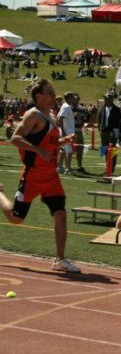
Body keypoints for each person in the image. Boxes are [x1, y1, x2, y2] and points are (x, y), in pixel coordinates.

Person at [0, 79, 80, 273]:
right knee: (16, 219)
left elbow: (49, 143)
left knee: (60, 213)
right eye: (49, 92)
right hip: (33, 175)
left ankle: (60, 259)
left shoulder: (50, 115)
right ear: (39, 96)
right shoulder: (33, 115)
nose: (53, 96)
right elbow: (15, 138)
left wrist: (62, 142)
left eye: (53, 92)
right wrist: (37, 150)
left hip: (51, 176)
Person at [56, 91, 76, 175]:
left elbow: (58, 117)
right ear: (70, 98)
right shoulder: (66, 107)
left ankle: (60, 167)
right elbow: (60, 118)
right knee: (69, 151)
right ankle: (68, 168)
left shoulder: (65, 106)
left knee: (63, 150)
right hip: (67, 132)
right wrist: (64, 131)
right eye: (73, 97)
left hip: (66, 131)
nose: (74, 99)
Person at [71, 93, 86, 172]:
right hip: (70, 131)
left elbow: (84, 119)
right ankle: (68, 166)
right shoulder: (68, 108)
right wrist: (73, 117)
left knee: (80, 149)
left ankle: (79, 166)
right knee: (69, 150)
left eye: (77, 99)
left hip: (79, 131)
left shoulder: (82, 109)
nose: (75, 100)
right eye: (74, 99)